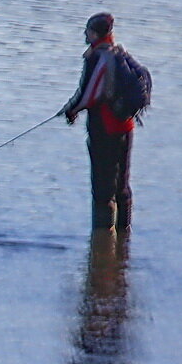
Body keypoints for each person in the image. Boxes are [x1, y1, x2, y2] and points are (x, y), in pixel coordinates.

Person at [59, 13, 136, 232]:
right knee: (122, 185)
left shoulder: (97, 56)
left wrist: (71, 110)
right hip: (126, 125)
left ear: (95, 33)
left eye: (87, 31)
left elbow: (89, 93)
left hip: (105, 127)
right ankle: (123, 238)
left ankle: (102, 242)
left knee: (103, 189)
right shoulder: (121, 53)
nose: (85, 34)